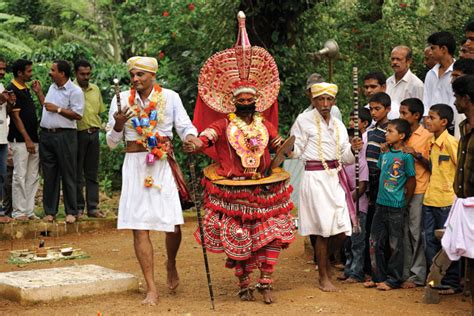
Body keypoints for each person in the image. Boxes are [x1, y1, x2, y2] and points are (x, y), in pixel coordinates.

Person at [187, 12, 295, 304]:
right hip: (232, 191)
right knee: (240, 237)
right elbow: (207, 136)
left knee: (271, 235)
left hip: (264, 188)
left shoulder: (264, 124)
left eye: (250, 100)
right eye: (241, 100)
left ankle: (266, 281)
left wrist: (286, 147)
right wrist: (196, 142)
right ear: (232, 102)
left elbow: (277, 144)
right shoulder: (223, 125)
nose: (246, 103)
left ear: (256, 101)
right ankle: (245, 282)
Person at [106, 56, 201, 305]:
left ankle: (171, 263)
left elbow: (185, 126)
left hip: (161, 164)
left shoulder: (170, 97)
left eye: (140, 75)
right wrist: (117, 126)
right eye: (133, 75)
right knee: (139, 226)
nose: (135, 79)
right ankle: (151, 287)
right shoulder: (120, 102)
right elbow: (111, 142)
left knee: (173, 225)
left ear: (152, 76)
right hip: (134, 166)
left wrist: (192, 138)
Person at [291, 82, 362, 292]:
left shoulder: (339, 125)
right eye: (320, 99)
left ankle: (324, 262)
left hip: (335, 178)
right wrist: (285, 148)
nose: (324, 103)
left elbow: (346, 158)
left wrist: (354, 149)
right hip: (315, 178)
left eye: (328, 99)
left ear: (333, 101)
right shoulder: (303, 120)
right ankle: (323, 276)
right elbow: (295, 151)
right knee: (323, 230)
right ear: (312, 101)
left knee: (342, 228)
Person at [365, 118, 416, 291]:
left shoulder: (406, 157)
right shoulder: (385, 154)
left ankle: (394, 279)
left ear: (401, 136)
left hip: (396, 206)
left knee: (395, 244)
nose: (386, 134)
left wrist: (405, 202)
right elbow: (381, 174)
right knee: (374, 241)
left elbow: (411, 181)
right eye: (386, 131)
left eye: (390, 131)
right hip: (380, 204)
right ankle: (377, 276)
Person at [442, 75, 474, 314]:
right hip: (465, 204)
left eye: (456, 97)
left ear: (466, 99)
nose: (454, 102)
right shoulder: (464, 128)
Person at [423, 103, 461, 295]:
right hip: (430, 199)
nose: (427, 120)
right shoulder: (431, 142)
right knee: (429, 240)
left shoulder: (451, 143)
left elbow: (460, 168)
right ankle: (435, 279)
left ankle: (452, 282)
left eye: (432, 117)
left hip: (447, 201)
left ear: (444, 122)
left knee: (448, 243)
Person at [40, 60, 84, 224]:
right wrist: (39, 94)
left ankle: (71, 211)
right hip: (47, 135)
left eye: (53, 70)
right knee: (49, 174)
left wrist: (58, 109)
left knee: (68, 173)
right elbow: (47, 107)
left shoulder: (75, 91)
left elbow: (78, 115)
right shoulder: (52, 86)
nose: (50, 72)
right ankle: (50, 212)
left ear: (62, 73)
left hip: (65, 135)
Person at [398, 98, 432, 288]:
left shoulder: (426, 136)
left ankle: (417, 275)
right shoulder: (400, 133)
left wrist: (416, 155)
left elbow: (432, 165)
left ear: (417, 115)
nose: (401, 116)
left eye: (405, 113)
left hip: (419, 189)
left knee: (416, 233)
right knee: (403, 232)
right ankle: (405, 273)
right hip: (400, 190)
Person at [7, 59, 43, 221]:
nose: (31, 73)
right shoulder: (12, 89)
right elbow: (15, 116)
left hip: (33, 138)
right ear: (20, 73)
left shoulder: (26, 88)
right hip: (20, 140)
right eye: (28, 71)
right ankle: (18, 211)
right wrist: (27, 139)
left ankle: (29, 210)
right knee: (20, 175)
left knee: (33, 175)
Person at [341, 107, 371, 283]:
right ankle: (348, 269)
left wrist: (348, 200)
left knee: (358, 242)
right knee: (347, 241)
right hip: (346, 207)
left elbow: (362, 186)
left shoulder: (362, 162)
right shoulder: (344, 162)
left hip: (359, 207)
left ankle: (356, 272)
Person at [74, 60, 106, 218]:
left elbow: (99, 111)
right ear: (75, 74)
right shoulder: (71, 89)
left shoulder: (96, 89)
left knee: (92, 173)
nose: (86, 77)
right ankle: (79, 208)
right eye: (82, 74)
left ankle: (93, 208)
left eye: (88, 74)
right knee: (77, 173)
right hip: (77, 134)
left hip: (94, 134)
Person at [364, 92, 392, 275]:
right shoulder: (370, 131)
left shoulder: (391, 131)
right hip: (369, 181)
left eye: (377, 109)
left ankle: (384, 271)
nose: (373, 113)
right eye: (371, 109)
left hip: (383, 182)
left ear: (388, 109)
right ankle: (371, 269)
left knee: (383, 230)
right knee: (369, 226)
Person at [422, 31, 458, 135]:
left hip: (451, 127)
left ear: (443, 49)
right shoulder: (430, 74)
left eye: (433, 48)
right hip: (431, 127)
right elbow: (426, 100)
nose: (430, 52)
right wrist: (427, 121)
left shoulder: (458, 73)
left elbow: (455, 102)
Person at [0, 57, 16, 223]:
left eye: (4, 69)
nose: (2, 72)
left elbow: (5, 112)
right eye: (0, 69)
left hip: (3, 137)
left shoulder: (1, 86)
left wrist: (10, 103)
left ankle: (2, 212)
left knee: (3, 176)